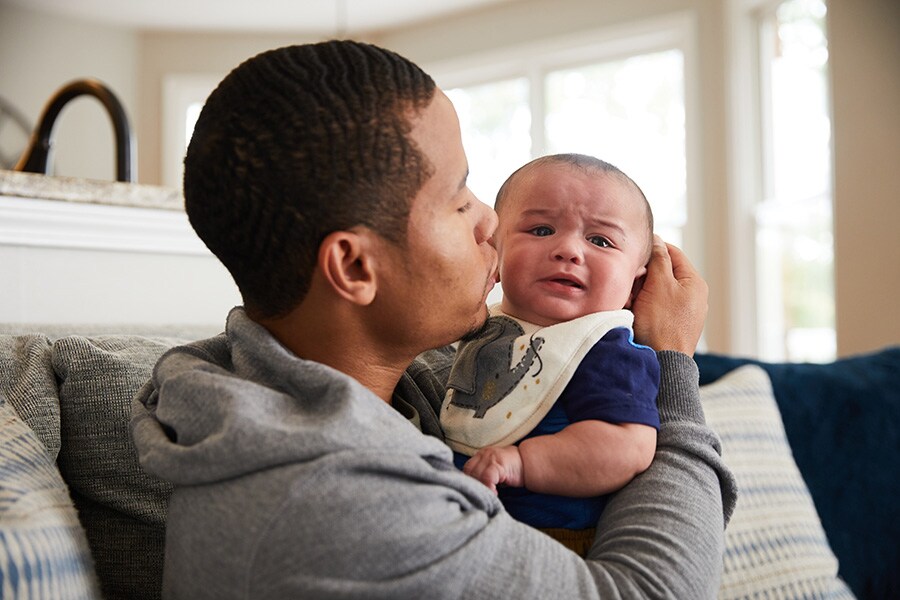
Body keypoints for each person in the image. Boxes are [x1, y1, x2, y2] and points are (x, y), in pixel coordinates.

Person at [130, 40, 736, 599]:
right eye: (459, 199)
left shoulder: (358, 389)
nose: (491, 225)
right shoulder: (343, 507)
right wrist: (671, 357)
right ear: (354, 267)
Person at [442, 154, 660, 556]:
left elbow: (627, 446)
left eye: (600, 240)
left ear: (634, 284)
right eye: (541, 229)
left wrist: (523, 463)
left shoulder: (606, 349)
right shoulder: (479, 326)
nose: (568, 250)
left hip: (557, 541)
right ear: (495, 251)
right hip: (463, 528)